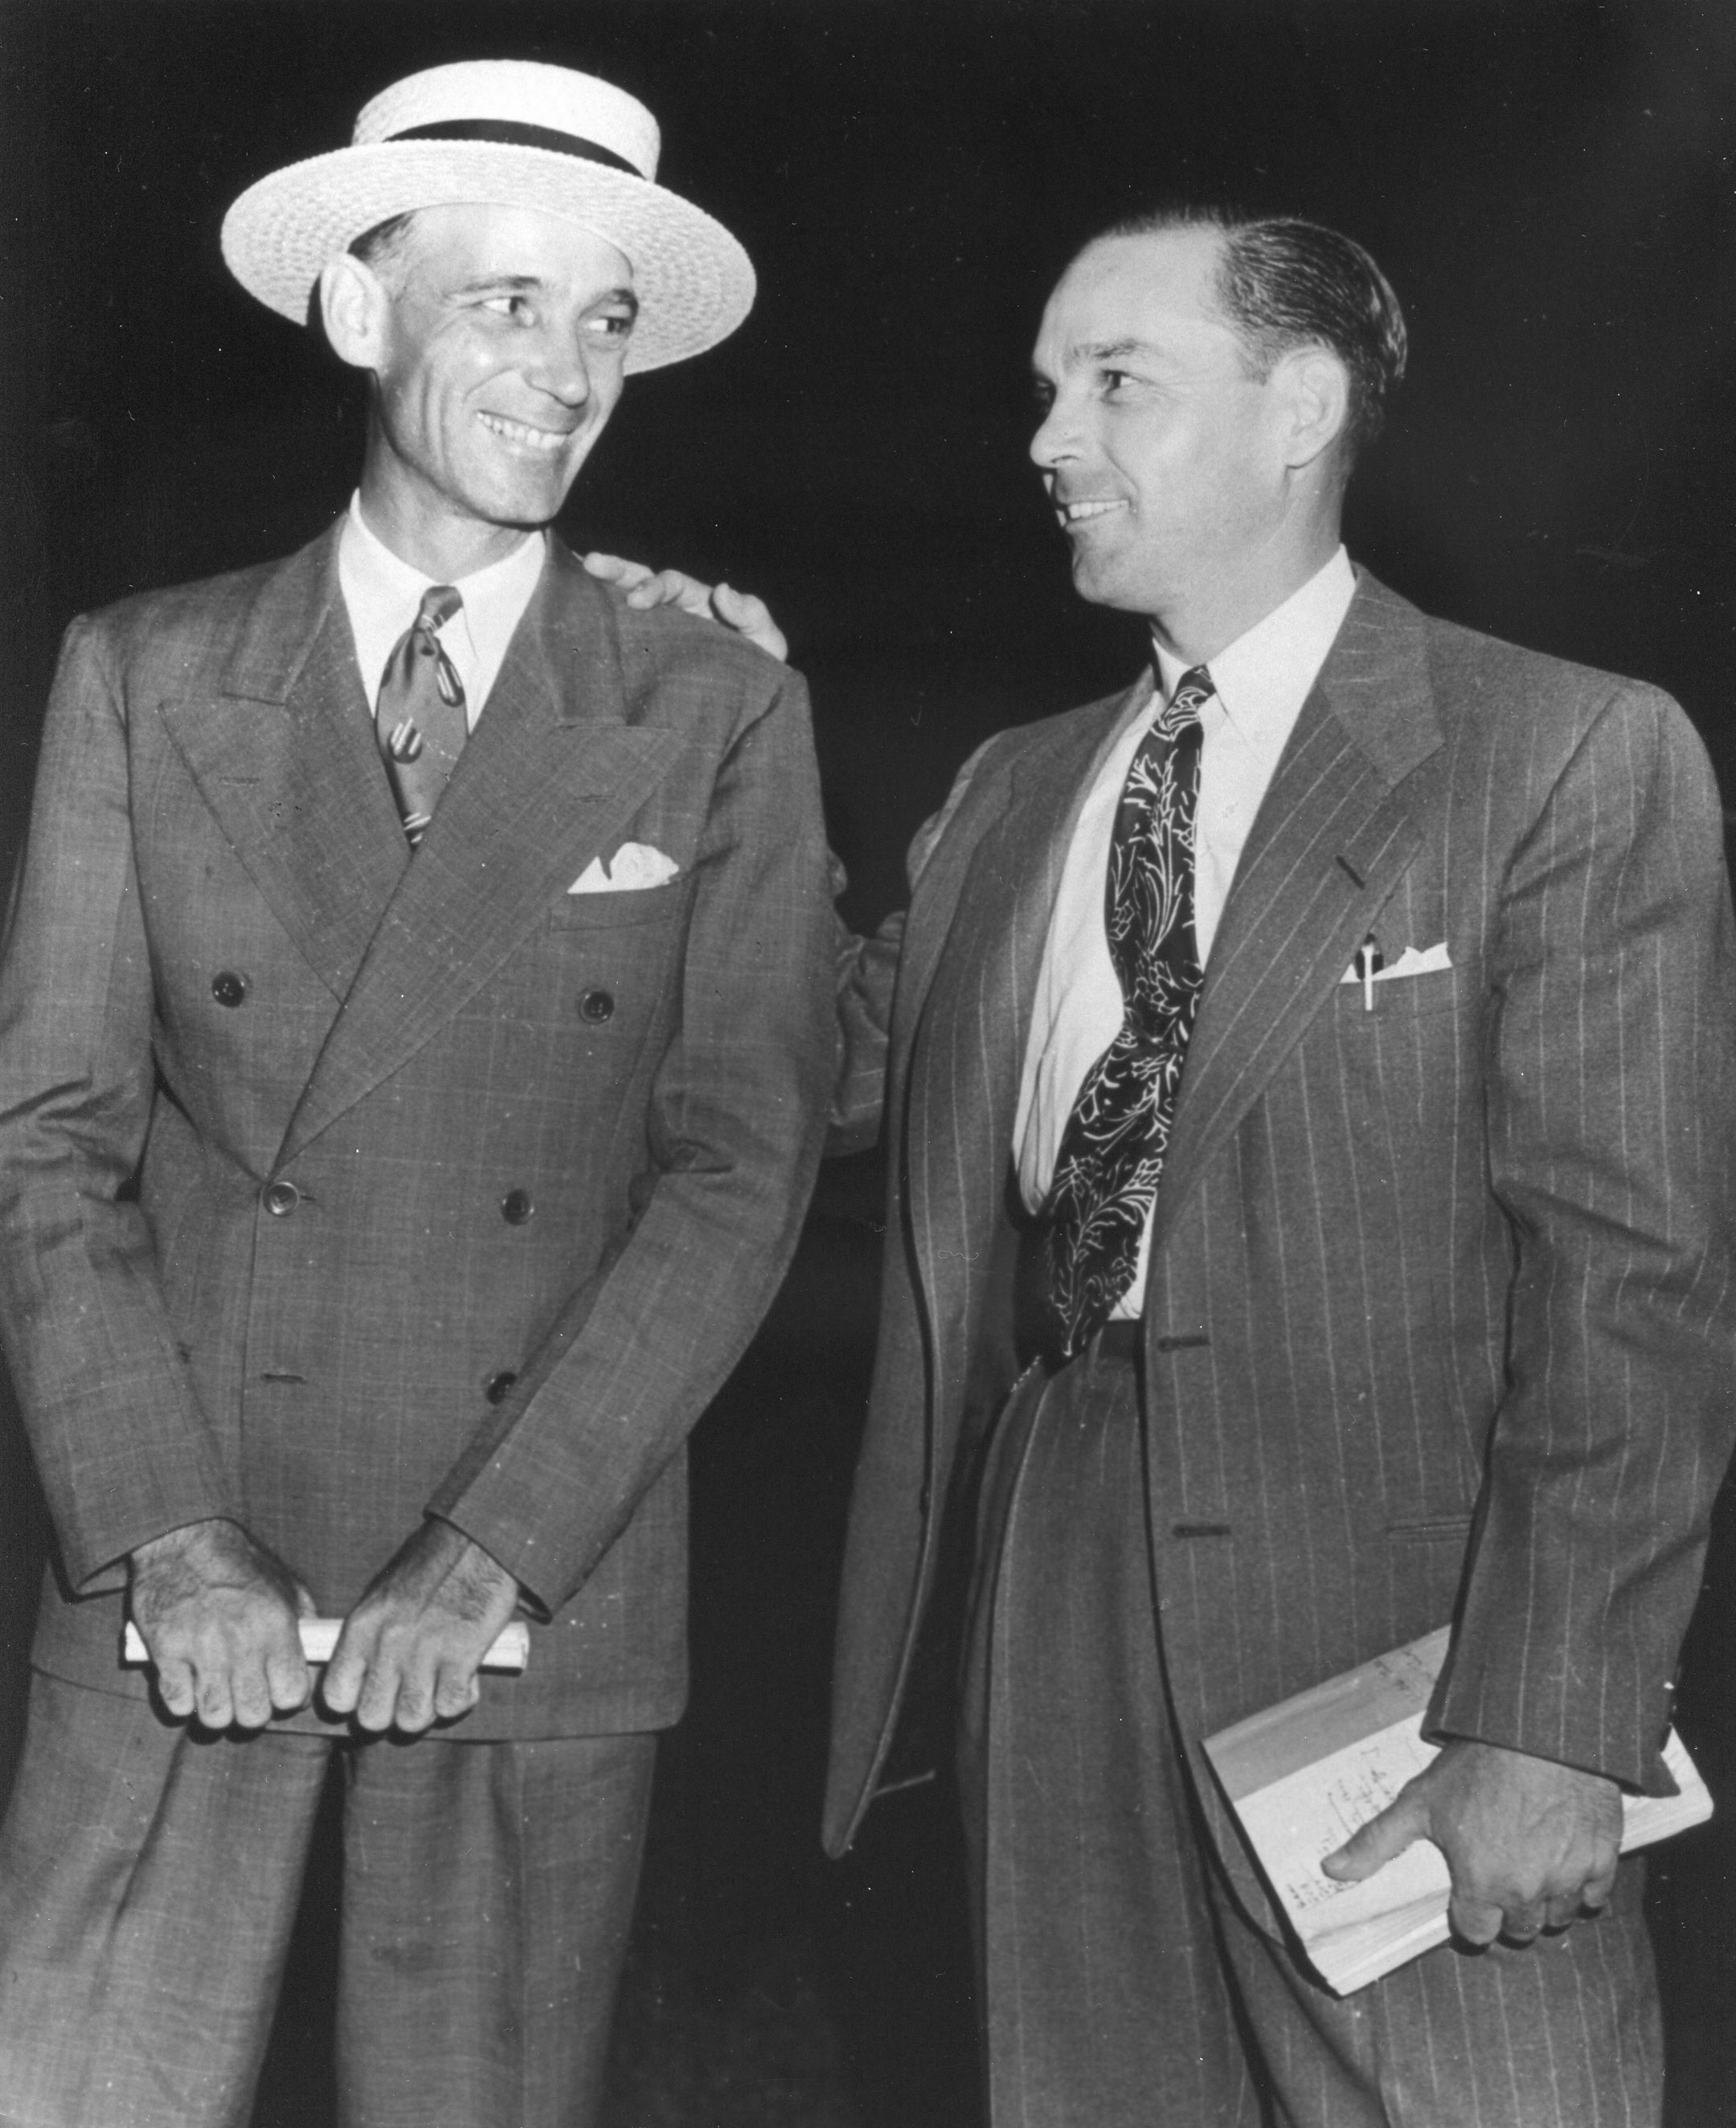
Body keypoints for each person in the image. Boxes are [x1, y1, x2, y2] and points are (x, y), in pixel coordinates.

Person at [816, 208, 1736, 2125]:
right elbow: (816, 1081)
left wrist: (1554, 1719)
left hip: (1407, 1619)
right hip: (1052, 1553)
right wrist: (686, 719)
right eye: (1048, 388)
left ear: (1301, 403)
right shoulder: (1010, 788)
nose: (1050, 437)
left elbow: (1632, 1287)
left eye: (1117, 382)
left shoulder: (1555, 752)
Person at [0, 58, 833, 2128]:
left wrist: (497, 1554)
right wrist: (169, 1535)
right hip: (173, 1574)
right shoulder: (144, 671)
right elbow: (49, 1142)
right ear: (360, 313)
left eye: (610, 320)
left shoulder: (714, 698)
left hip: (535, 1591)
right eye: (509, 305)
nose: (569, 375)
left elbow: (738, 1170)